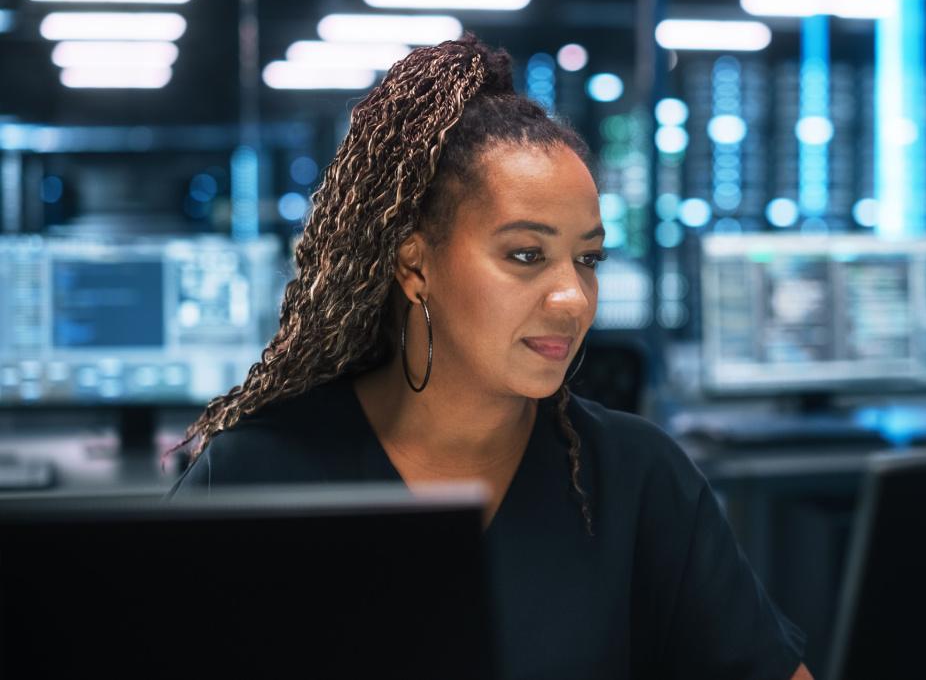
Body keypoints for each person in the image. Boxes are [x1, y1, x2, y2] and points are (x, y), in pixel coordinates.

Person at [166, 35, 811, 680]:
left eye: (588, 260)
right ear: (415, 267)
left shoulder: (638, 478)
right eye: (525, 255)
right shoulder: (257, 475)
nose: (573, 299)